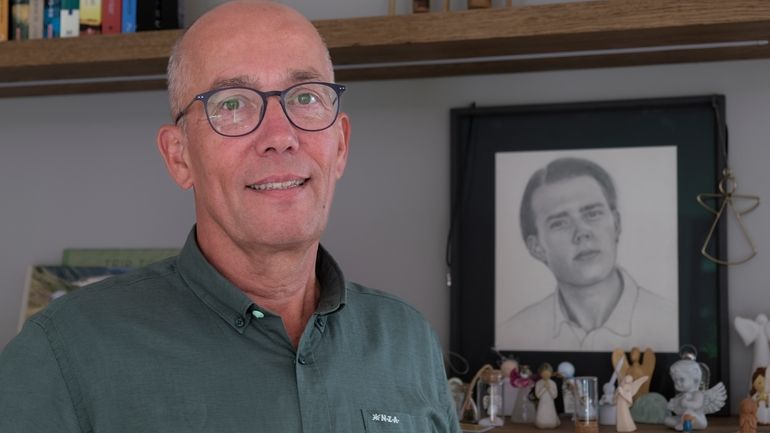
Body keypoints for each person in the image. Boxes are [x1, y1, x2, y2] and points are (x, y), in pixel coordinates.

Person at [0, 2, 461, 432]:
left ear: (340, 144)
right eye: (233, 104)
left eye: (305, 98)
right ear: (179, 157)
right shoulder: (63, 353)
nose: (280, 137)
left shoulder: (408, 341)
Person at [496, 157, 677, 351]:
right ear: (536, 247)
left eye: (593, 214)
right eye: (559, 223)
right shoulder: (511, 335)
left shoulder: (671, 323)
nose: (582, 232)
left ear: (616, 224)